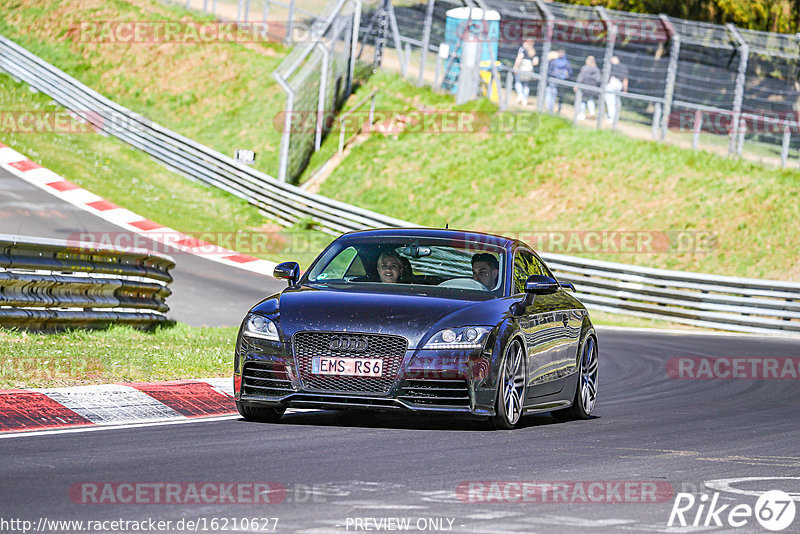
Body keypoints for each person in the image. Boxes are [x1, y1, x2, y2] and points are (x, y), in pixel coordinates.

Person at [512, 39, 538, 106]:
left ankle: (521, 95)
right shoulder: (534, 51)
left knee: (518, 81)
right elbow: (535, 62)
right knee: (526, 84)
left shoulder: (522, 49)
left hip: (522, 68)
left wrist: (515, 67)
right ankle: (525, 99)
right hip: (529, 69)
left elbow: (519, 58)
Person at [545, 49, 572, 114]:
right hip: (562, 80)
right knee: (559, 95)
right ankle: (559, 109)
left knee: (550, 92)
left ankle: (550, 108)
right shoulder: (566, 62)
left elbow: (549, 69)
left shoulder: (554, 60)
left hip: (553, 78)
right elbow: (570, 71)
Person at [575, 55, 601, 120]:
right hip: (592, 87)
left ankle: (582, 114)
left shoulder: (585, 68)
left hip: (584, 86)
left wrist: (577, 85)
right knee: (590, 99)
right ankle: (592, 113)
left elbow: (581, 77)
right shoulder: (596, 69)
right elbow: (598, 79)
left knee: (583, 100)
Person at [605, 55, 629, 121]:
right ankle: (614, 115)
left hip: (613, 83)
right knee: (615, 100)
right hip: (619, 85)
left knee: (610, 100)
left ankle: (611, 116)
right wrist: (625, 89)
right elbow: (625, 79)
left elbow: (625, 79)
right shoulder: (623, 67)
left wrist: (625, 89)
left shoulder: (611, 66)